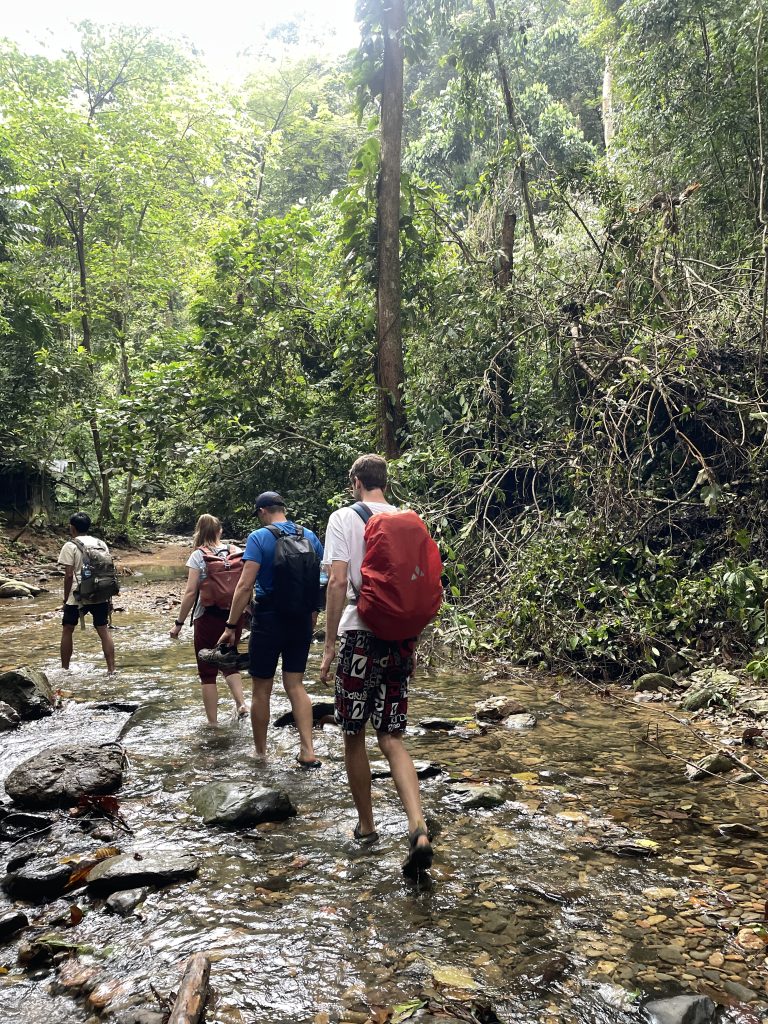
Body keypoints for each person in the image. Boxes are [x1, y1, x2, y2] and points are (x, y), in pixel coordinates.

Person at [320, 454, 434, 877]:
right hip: (401, 637)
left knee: (353, 733)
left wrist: (330, 644)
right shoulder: (409, 519)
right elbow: (417, 587)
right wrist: (412, 642)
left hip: (359, 632)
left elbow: (336, 581)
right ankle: (417, 826)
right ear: (384, 482)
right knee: (391, 734)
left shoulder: (343, 518)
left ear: (355, 481)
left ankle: (367, 827)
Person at [217, 491, 324, 767]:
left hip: (269, 619)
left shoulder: (259, 537)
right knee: (296, 685)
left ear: (263, 511)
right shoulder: (310, 536)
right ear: (283, 509)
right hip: (301, 619)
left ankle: (261, 752)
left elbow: (244, 585)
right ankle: (308, 750)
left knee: (261, 690)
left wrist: (231, 625)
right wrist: (313, 613)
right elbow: (319, 579)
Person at [169, 514, 248, 724]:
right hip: (234, 616)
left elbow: (190, 593)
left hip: (207, 616)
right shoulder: (236, 551)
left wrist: (178, 624)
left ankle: (212, 724)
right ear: (219, 531)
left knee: (207, 672)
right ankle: (241, 704)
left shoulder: (198, 555)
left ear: (199, 532)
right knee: (229, 660)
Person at [58, 511, 116, 674]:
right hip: (100, 591)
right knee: (103, 629)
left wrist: (65, 599)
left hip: (77, 594)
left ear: (72, 528)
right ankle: (111, 670)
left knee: (68, 629)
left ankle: (65, 669)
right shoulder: (100, 543)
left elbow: (69, 574)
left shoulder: (70, 545)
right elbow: (107, 569)